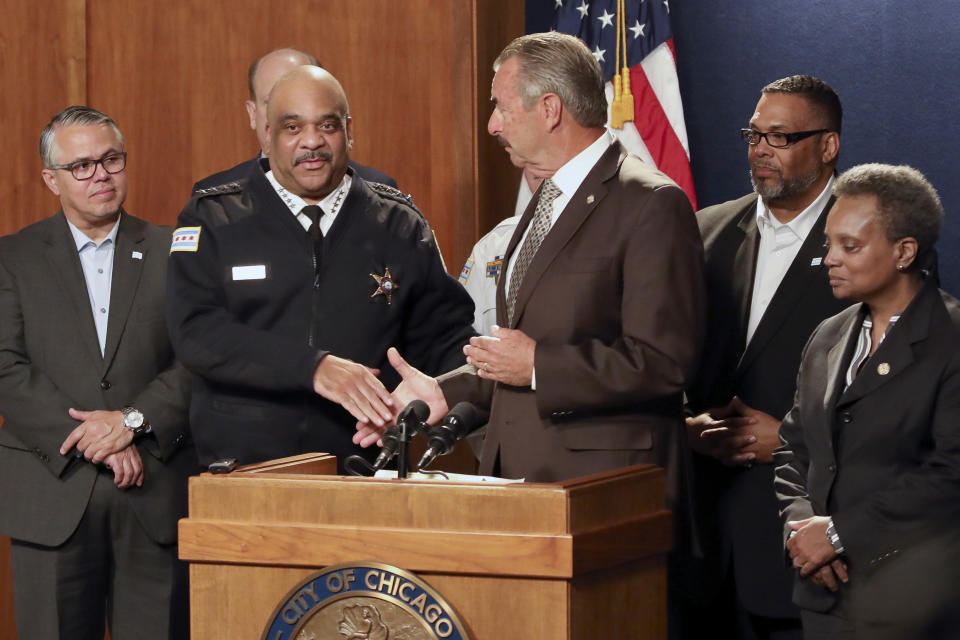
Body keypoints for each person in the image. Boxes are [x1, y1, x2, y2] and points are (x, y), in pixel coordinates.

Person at [356, 32, 705, 493]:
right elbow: (519, 357)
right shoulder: (547, 199)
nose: (492, 126)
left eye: (501, 107)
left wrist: (540, 365)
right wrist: (444, 391)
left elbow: (664, 362)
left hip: (604, 491)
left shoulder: (650, 203)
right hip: (523, 482)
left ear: (549, 109)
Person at [166, 66, 475, 472]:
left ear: (349, 130)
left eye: (327, 126)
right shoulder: (213, 216)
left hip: (363, 468)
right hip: (241, 473)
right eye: (292, 127)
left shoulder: (399, 223)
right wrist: (314, 367)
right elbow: (196, 333)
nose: (311, 142)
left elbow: (447, 339)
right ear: (266, 134)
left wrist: (419, 399)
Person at [0, 106, 195, 639]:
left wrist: (131, 421)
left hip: (154, 490)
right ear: (51, 179)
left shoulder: (175, 251)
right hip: (51, 494)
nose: (100, 175)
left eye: (110, 159)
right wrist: (94, 438)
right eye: (81, 166)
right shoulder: (12, 257)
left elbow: (199, 359)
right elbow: (5, 367)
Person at [680, 75, 848, 640]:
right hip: (703, 538)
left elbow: (904, 398)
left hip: (804, 542)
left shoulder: (871, 241)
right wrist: (686, 425)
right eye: (753, 135)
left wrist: (794, 438)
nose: (759, 150)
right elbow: (669, 355)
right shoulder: (704, 230)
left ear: (828, 146)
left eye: (780, 137)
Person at [774, 163, 960, 638]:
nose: (830, 259)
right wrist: (803, 533)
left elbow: (951, 475)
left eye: (849, 246)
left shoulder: (951, 338)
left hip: (916, 602)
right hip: (823, 599)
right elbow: (793, 448)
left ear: (904, 252)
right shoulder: (827, 335)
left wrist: (837, 535)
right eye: (829, 244)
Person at [193, 47, 396, 192]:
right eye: (273, 102)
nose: (310, 140)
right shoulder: (212, 200)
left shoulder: (380, 194)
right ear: (253, 114)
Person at [460, 167, 542, 335]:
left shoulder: (603, 234)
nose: (537, 172)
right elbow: (465, 333)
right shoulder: (494, 243)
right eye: (530, 165)